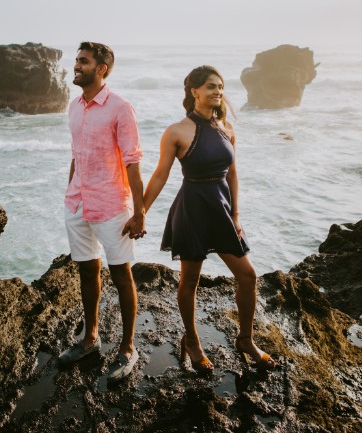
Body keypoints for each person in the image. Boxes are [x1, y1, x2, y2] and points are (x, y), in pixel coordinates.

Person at [143, 65, 275, 373]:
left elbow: (232, 173)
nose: (218, 91)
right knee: (190, 280)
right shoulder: (177, 131)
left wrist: (237, 214)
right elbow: (161, 174)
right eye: (212, 86)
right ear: (195, 91)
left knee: (247, 276)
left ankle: (245, 340)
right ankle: (192, 342)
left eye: (221, 86)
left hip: (222, 211)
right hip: (193, 210)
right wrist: (141, 212)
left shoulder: (226, 128)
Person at [58, 41, 146, 383]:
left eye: (83, 61)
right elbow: (76, 155)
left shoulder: (120, 108)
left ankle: (127, 347)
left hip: (112, 205)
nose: (76, 66)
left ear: (102, 69)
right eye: (77, 60)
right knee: (85, 271)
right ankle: (90, 338)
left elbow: (133, 163)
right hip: (77, 202)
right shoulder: (74, 107)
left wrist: (139, 212)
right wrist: (70, 191)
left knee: (122, 276)